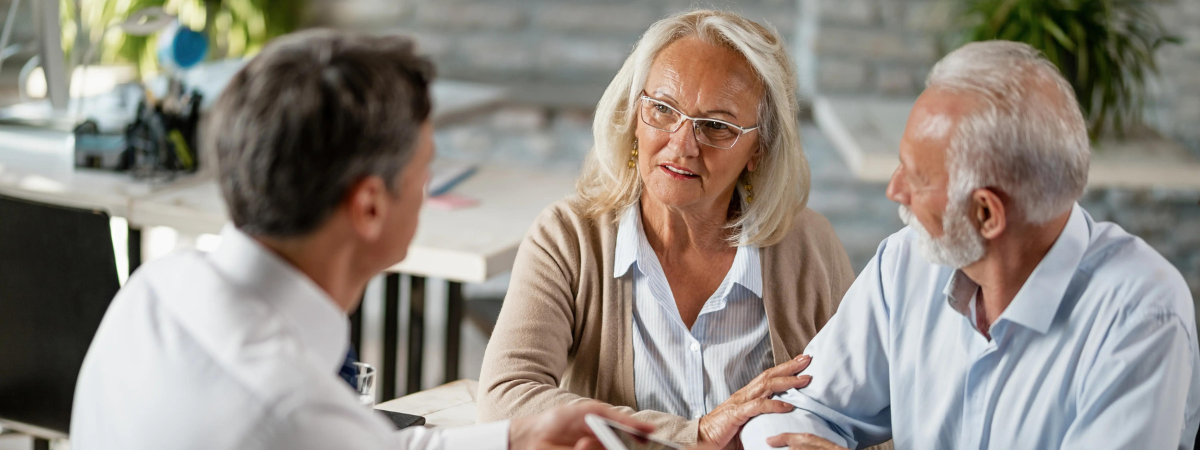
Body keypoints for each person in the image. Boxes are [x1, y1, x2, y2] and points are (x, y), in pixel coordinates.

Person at [69, 30, 657, 450]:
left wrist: (509, 438)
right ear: (371, 205)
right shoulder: (292, 411)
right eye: (425, 168)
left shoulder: (152, 292)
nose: (429, 186)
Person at [739, 41, 1200, 450]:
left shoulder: (1142, 316)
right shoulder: (906, 263)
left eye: (916, 177)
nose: (894, 190)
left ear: (986, 213)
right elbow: (788, 412)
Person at [478, 9, 857, 448]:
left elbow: (873, 415)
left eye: (717, 126)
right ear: (634, 115)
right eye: (662, 109)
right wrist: (693, 436)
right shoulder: (568, 239)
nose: (682, 145)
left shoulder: (809, 247)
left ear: (760, 148)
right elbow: (505, 399)